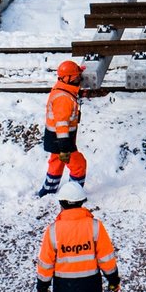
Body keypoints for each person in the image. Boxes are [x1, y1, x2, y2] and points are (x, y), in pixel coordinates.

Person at [34, 176, 121, 292]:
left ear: (62, 203)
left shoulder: (53, 231)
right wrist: (113, 280)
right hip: (90, 282)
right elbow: (106, 257)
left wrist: (42, 286)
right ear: (82, 202)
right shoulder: (95, 226)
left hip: (65, 285)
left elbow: (46, 262)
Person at [37, 60, 99, 196]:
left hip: (54, 140)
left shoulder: (62, 88)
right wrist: (65, 148)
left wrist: (86, 94)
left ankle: (48, 191)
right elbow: (62, 124)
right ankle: (73, 194)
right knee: (79, 166)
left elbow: (71, 92)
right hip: (62, 141)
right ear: (67, 78)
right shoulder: (64, 99)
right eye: (77, 76)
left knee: (56, 164)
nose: (79, 78)